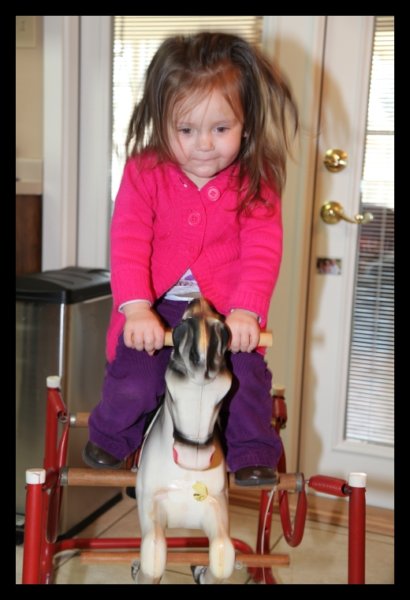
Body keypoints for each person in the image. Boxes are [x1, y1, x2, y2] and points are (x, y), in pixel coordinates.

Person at [83, 32, 298, 486]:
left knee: (245, 380)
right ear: (162, 123)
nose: (204, 144)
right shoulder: (144, 172)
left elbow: (262, 251)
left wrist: (246, 312)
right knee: (136, 377)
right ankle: (112, 434)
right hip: (158, 309)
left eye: (221, 129)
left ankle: (252, 452)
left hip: (225, 312)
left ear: (246, 123)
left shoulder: (256, 180)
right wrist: (136, 308)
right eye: (186, 130)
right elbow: (128, 242)